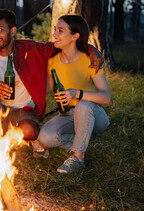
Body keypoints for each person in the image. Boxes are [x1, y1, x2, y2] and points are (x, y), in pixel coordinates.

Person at [0, 9, 103, 146]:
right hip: (0, 107)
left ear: (12, 31)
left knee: (29, 131)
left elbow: (62, 45)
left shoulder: (31, 49)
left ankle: (6, 136)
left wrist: (92, 50)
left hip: (26, 109)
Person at [37, 15, 111, 173]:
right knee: (45, 137)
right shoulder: (53, 62)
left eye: (60, 30)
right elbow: (44, 89)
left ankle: (78, 157)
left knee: (84, 104)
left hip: (93, 115)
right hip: (67, 115)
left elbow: (106, 97)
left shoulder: (89, 61)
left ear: (75, 36)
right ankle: (82, 140)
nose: (54, 34)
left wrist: (77, 93)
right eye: (55, 30)